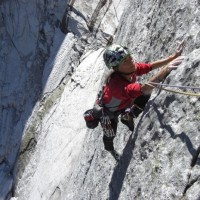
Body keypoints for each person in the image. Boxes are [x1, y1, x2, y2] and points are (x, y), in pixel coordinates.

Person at [95, 42, 184, 161]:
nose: (131, 61)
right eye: (125, 61)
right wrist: (166, 70)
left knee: (146, 94)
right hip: (109, 113)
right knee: (110, 134)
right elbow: (144, 88)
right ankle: (110, 149)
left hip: (124, 102)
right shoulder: (117, 86)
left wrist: (172, 57)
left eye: (129, 57)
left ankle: (129, 115)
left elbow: (149, 66)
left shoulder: (128, 70)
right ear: (116, 68)